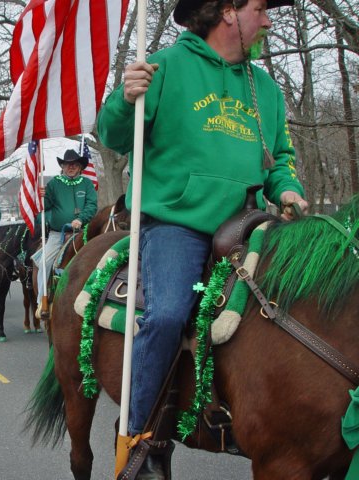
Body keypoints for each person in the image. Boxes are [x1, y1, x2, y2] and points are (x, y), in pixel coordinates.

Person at [97, 0, 309, 475]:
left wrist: (289, 189)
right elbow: (113, 134)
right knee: (170, 311)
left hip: (248, 225)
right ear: (228, 11)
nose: (269, 19)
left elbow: (279, 158)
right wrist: (124, 98)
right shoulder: (167, 66)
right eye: (260, 7)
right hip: (178, 223)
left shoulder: (266, 89)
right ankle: (142, 440)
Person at [34, 149, 98, 309]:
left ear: (80, 167)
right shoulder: (54, 183)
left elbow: (92, 205)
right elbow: (46, 206)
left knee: (99, 259)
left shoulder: (87, 183)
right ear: (62, 166)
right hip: (58, 235)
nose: (71, 167)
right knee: (44, 263)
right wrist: (43, 196)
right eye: (68, 164)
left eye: (75, 164)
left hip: (83, 233)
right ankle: (42, 300)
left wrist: (81, 219)